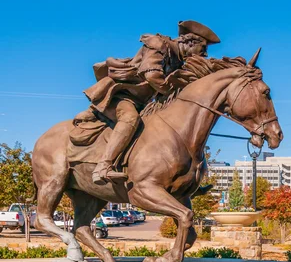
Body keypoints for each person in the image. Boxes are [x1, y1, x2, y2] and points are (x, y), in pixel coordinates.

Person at [73, 21, 220, 185]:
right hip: (121, 96)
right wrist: (171, 86)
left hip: (142, 103)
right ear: (191, 42)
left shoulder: (177, 60)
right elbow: (151, 75)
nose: (205, 54)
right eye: (204, 49)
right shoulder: (159, 45)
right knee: (130, 119)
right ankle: (103, 167)